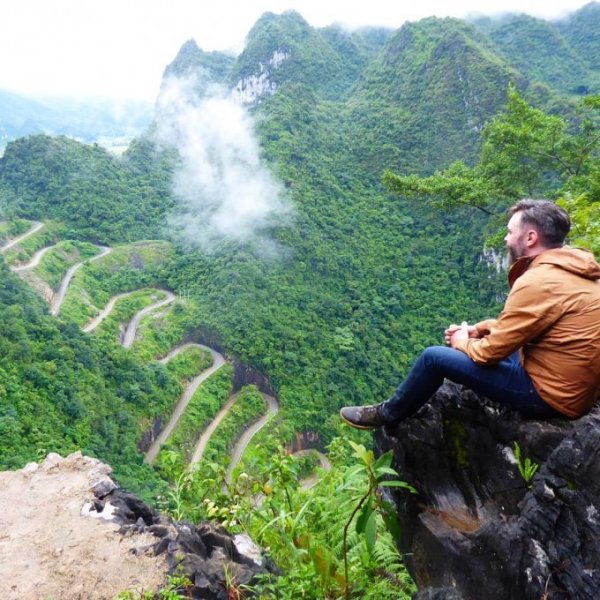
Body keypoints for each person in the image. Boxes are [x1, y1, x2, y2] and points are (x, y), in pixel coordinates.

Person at [340, 199, 600, 429]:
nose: (506, 239)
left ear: (531, 238)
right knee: (481, 344)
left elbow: (488, 354)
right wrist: (480, 329)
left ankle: (387, 414)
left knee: (433, 358)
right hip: (574, 387)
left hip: (550, 397)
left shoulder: (538, 281)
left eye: (510, 232)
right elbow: (531, 326)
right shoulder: (574, 268)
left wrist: (461, 342)